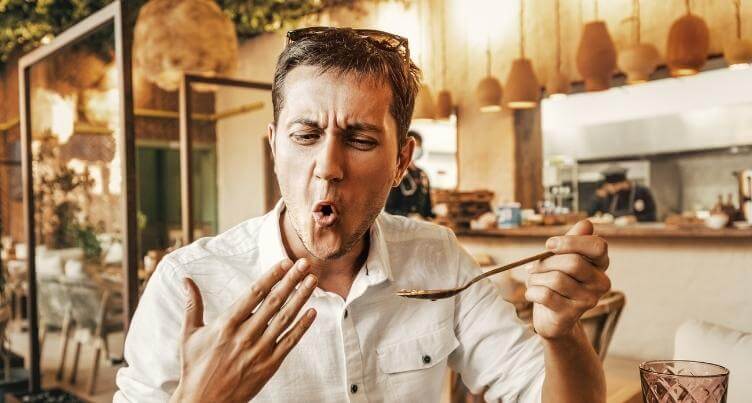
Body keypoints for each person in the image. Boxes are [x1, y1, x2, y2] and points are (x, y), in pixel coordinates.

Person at [115, 27, 611, 403]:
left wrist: (562, 334)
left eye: (361, 140)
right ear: (273, 146)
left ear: (400, 162)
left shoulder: (437, 257)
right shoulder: (189, 284)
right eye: (305, 136)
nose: (328, 168)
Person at [384, 130, 434, 219]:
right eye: (415, 146)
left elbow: (428, 209)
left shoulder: (423, 175)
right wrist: (408, 216)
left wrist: (434, 215)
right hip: (400, 226)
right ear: (406, 148)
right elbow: (388, 209)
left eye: (419, 146)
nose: (417, 149)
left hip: (420, 227)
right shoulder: (396, 173)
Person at [588, 165, 657, 222]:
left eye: (614, 186)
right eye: (610, 186)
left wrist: (635, 219)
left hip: (640, 233)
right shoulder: (612, 194)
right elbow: (595, 212)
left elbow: (652, 216)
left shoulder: (642, 192)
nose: (612, 189)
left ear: (624, 182)